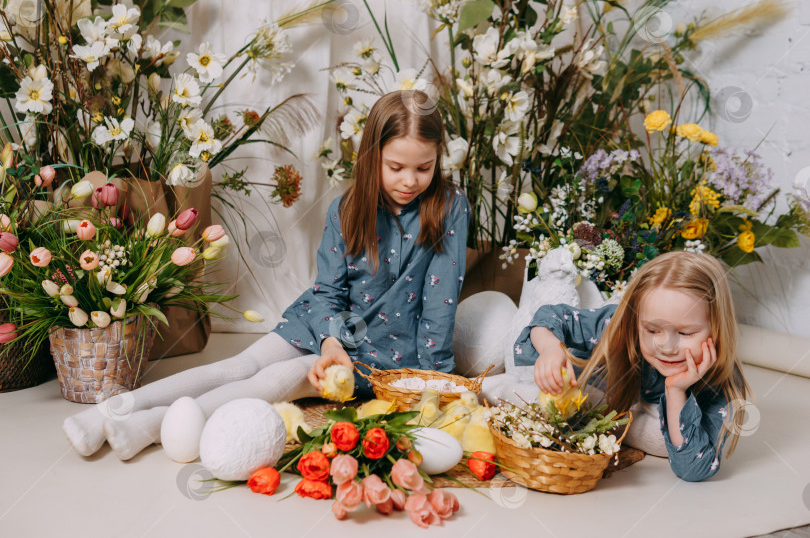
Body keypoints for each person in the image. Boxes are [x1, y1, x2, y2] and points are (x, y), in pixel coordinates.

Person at [63, 90, 471, 460]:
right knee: (238, 367)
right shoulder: (345, 210)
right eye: (396, 166)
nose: (409, 181)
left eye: (424, 168)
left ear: (438, 161)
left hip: (381, 354)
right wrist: (330, 340)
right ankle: (108, 412)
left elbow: (440, 306)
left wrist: (432, 383)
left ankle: (149, 427)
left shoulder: (450, 207)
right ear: (371, 157)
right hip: (325, 325)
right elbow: (327, 291)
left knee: (282, 377)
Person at [514, 251, 751, 482]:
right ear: (636, 321)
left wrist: (676, 390)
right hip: (554, 373)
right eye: (652, 330)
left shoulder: (719, 381)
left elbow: (693, 468)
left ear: (718, 328)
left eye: (685, 332)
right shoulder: (618, 326)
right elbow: (550, 317)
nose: (667, 346)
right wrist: (550, 349)